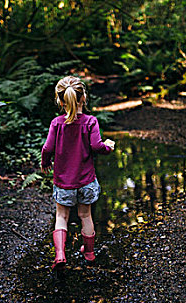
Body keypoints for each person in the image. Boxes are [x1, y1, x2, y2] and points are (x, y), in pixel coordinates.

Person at [41, 76, 115, 271]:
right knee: (85, 215)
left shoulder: (56, 124)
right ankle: (89, 253)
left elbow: (47, 148)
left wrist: (45, 163)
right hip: (86, 182)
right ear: (83, 98)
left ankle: (60, 255)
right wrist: (108, 147)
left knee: (62, 216)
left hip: (64, 182)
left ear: (60, 101)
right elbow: (96, 146)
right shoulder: (91, 121)